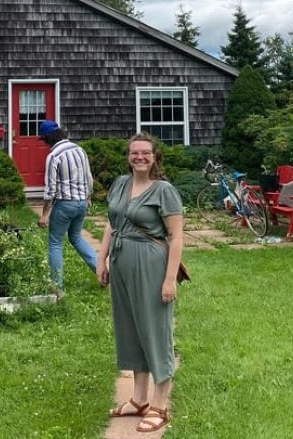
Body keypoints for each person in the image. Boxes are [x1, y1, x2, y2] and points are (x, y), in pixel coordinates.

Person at [96, 132, 184, 433]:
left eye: (145, 152)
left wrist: (170, 279)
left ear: (154, 156)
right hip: (121, 265)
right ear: (128, 156)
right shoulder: (121, 184)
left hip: (152, 266)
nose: (140, 157)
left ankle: (159, 405)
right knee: (130, 328)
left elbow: (176, 237)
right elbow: (112, 222)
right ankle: (138, 399)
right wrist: (101, 258)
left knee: (154, 331)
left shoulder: (164, 190)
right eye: (135, 153)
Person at [36, 120, 97, 297]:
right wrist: (88, 198)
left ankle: (57, 287)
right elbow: (89, 178)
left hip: (65, 204)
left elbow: (50, 190)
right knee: (76, 237)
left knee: (55, 242)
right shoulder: (80, 150)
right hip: (82, 203)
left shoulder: (54, 156)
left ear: (47, 139)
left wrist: (45, 215)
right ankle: (102, 271)